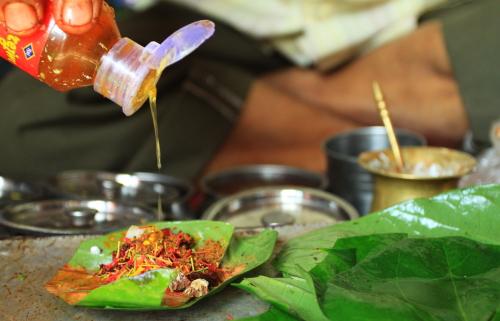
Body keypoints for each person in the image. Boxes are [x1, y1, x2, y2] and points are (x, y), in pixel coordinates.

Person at [0, 0, 496, 184]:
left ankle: (263, 103)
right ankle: (424, 163)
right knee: (21, 126)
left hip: (406, 23)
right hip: (218, 28)